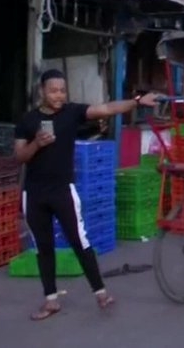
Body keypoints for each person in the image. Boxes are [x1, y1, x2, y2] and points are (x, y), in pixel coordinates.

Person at [14, 69, 162, 321]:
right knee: (43, 247)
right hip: (34, 193)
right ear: (42, 92)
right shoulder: (28, 121)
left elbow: (106, 109)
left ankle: (101, 292)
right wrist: (37, 143)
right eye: (53, 90)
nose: (59, 95)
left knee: (80, 242)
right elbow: (19, 156)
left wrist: (136, 101)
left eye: (62, 90)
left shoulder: (72, 113)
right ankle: (51, 300)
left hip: (63, 191)